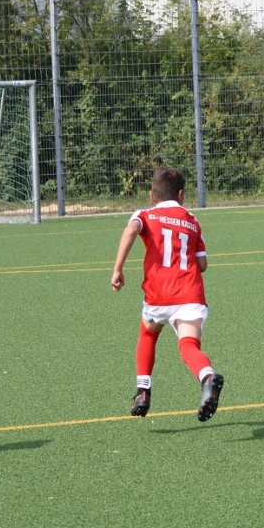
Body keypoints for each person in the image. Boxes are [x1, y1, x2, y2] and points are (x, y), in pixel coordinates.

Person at [111, 166, 224, 421]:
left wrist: (118, 269)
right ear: (181, 195)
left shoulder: (145, 215)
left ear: (152, 196)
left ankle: (143, 391)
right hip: (190, 294)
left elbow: (131, 230)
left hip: (159, 295)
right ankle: (207, 376)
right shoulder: (192, 220)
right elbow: (202, 265)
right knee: (188, 345)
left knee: (148, 333)